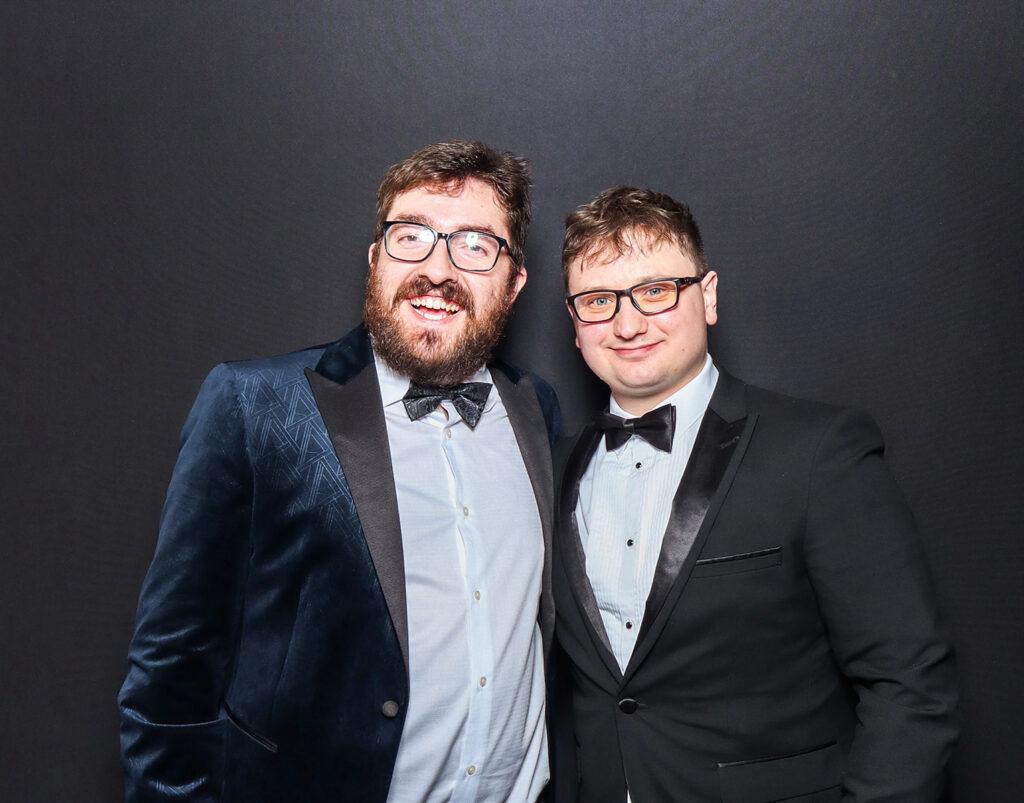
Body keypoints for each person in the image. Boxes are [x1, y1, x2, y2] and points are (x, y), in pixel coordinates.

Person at [118, 140, 560, 802]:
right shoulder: (254, 405)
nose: (437, 269)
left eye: (474, 245)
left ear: (514, 281)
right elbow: (168, 678)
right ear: (377, 258)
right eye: (412, 236)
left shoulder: (536, 411)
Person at [552, 186, 958, 802]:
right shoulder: (551, 468)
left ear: (708, 297)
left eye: (656, 292)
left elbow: (910, 681)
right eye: (599, 300)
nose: (627, 323)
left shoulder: (820, 451)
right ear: (575, 323)